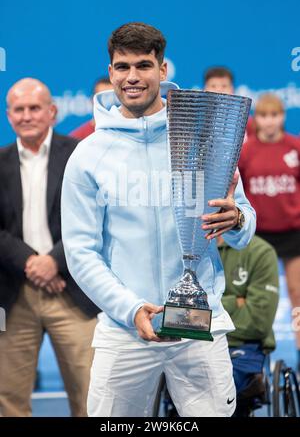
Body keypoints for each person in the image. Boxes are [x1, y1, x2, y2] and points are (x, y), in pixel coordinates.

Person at [61, 22, 256, 417]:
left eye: (144, 65)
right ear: (111, 72)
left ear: (163, 71)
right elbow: (81, 252)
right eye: (122, 67)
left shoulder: (202, 137)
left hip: (200, 327)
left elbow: (244, 227)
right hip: (125, 330)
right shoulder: (88, 154)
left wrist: (235, 219)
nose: (132, 77)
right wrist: (131, 309)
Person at [0, 78, 99, 417]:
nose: (27, 116)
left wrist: (54, 262)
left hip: (72, 289)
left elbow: (94, 219)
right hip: (12, 295)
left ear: (52, 112)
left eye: (34, 108)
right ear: (9, 115)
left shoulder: (79, 155)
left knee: (92, 396)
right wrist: (32, 263)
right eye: (19, 109)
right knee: (8, 400)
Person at [239, 93, 300, 374]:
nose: (269, 121)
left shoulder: (295, 148)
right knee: (251, 298)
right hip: (257, 235)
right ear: (256, 119)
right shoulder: (246, 151)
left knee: (298, 297)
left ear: (283, 117)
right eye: (263, 115)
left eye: (275, 115)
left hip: (293, 233)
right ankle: (250, 357)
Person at [219, 235, 279, 414]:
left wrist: (203, 314)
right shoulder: (180, 250)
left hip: (242, 347)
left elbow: (258, 321)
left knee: (219, 384)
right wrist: (234, 303)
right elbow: (175, 313)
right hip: (188, 345)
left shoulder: (261, 252)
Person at [203, 66, 255, 139]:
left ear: (232, 89)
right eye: (213, 86)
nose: (219, 90)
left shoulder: (246, 123)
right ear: (204, 89)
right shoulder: (197, 121)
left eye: (224, 86)